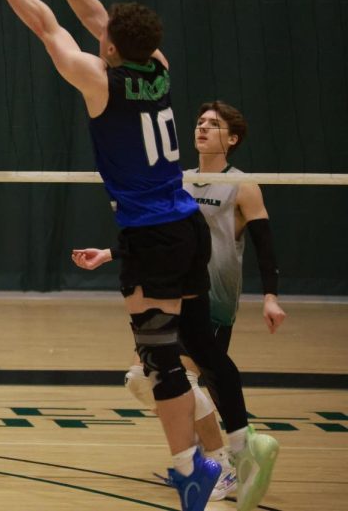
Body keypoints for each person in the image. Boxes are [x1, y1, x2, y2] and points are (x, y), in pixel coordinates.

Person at [0, 0, 278, 511]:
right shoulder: (158, 68)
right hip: (184, 225)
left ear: (109, 45)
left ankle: (192, 471)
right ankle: (239, 442)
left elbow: (50, 24)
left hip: (152, 234)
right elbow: (93, 18)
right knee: (189, 341)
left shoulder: (97, 80)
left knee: (158, 354)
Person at [72, 100, 286, 501]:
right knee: (142, 379)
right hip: (169, 289)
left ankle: (221, 461)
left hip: (213, 299)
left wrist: (271, 296)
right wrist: (110, 254)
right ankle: (229, 453)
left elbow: (264, 245)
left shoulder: (243, 184)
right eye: (199, 122)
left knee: (177, 376)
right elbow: (159, 240)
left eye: (213, 125)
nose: (202, 129)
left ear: (233, 138)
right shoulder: (179, 180)